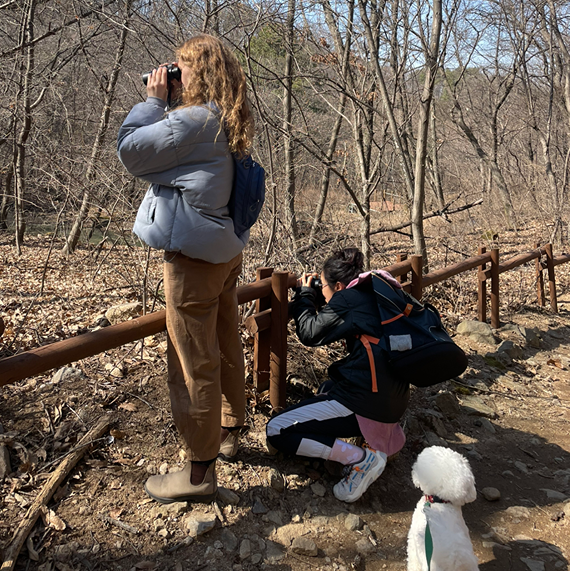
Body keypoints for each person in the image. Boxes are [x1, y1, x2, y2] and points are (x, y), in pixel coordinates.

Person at [117, 33, 255, 504]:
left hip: (193, 260)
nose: (172, 74)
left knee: (191, 360)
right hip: (225, 252)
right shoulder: (225, 118)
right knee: (223, 338)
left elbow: (132, 152)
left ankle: (198, 473)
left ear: (199, 73)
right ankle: (230, 430)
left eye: (180, 67)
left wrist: (153, 103)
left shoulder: (192, 121)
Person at [266, 248, 409, 503]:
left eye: (324, 286)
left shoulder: (350, 299)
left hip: (364, 401)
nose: (323, 291)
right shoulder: (377, 291)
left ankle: (360, 459)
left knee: (277, 430)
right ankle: (373, 445)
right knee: (326, 386)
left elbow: (309, 333)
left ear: (340, 286)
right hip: (391, 400)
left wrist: (305, 295)